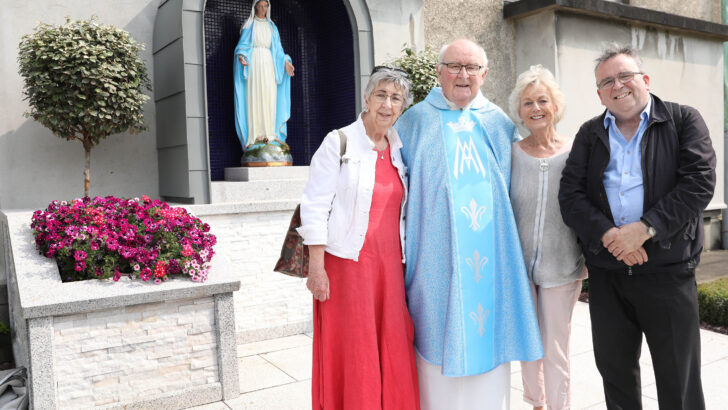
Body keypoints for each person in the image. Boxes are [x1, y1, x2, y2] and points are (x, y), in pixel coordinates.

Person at [559, 44, 716, 409]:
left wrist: (644, 229)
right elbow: (570, 196)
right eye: (607, 81)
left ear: (645, 80)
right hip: (608, 273)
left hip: (668, 270)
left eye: (625, 75)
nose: (618, 85)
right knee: (615, 375)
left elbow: (699, 182)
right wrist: (610, 235)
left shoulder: (683, 120)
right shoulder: (589, 133)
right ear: (599, 93)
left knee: (679, 378)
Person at [394, 38, 542, 410]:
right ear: (439, 73)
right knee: (434, 340)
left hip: (492, 257)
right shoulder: (414, 121)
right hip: (434, 259)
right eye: (455, 67)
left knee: (490, 350)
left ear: (485, 74)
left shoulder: (499, 123)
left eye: (472, 68)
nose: (464, 75)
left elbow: (525, 187)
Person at [297, 67, 420, 409]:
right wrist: (316, 269)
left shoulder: (398, 149)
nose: (387, 104)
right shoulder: (339, 142)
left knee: (393, 343)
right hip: (347, 268)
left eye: (396, 98)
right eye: (381, 95)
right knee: (355, 350)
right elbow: (314, 206)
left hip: (390, 270)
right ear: (366, 99)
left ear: (402, 107)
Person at [508, 65, 585, 410]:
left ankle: (559, 406)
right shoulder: (511, 154)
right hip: (519, 267)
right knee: (528, 344)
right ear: (519, 112)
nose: (535, 108)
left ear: (555, 106)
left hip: (562, 265)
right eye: (527, 103)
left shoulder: (574, 152)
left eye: (542, 100)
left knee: (556, 346)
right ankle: (536, 403)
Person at [233, 0, 295, 150]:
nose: (263, 9)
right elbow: (242, 46)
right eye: (260, 6)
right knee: (256, 96)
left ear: (268, 7)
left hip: (269, 64)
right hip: (254, 63)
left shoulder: (272, 27)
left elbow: (278, 50)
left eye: (265, 5)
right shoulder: (250, 25)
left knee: (269, 96)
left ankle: (271, 134)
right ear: (255, 7)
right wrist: (241, 56)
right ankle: (256, 136)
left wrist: (286, 62)